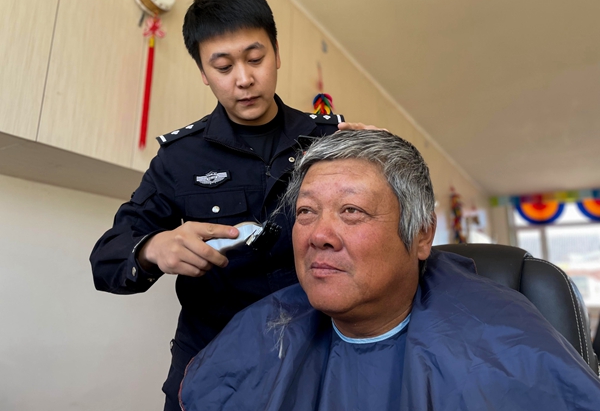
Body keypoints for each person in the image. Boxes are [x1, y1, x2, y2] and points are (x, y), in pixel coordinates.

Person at [89, 0, 370, 410]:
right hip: (212, 366)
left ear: (277, 53)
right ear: (203, 73)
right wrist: (153, 248)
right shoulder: (180, 158)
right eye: (222, 66)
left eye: (256, 59)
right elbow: (107, 260)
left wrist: (384, 162)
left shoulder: (329, 140)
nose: (244, 79)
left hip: (318, 360)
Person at [180, 130, 600, 410]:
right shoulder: (262, 329)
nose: (318, 235)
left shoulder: (501, 347)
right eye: (306, 211)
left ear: (421, 235)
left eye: (351, 210)